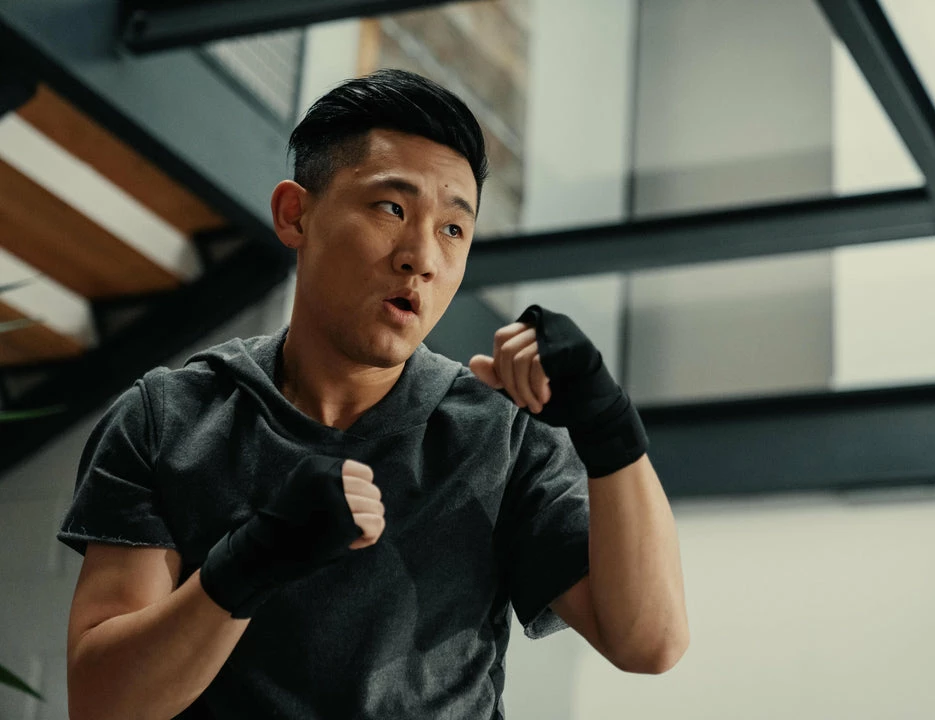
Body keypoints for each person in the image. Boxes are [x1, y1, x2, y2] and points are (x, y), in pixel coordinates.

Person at [58, 69, 688, 720]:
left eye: (453, 229)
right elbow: (104, 704)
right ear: (295, 214)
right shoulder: (169, 417)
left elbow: (650, 643)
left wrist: (606, 423)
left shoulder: (501, 431)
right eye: (392, 208)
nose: (422, 257)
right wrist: (250, 561)